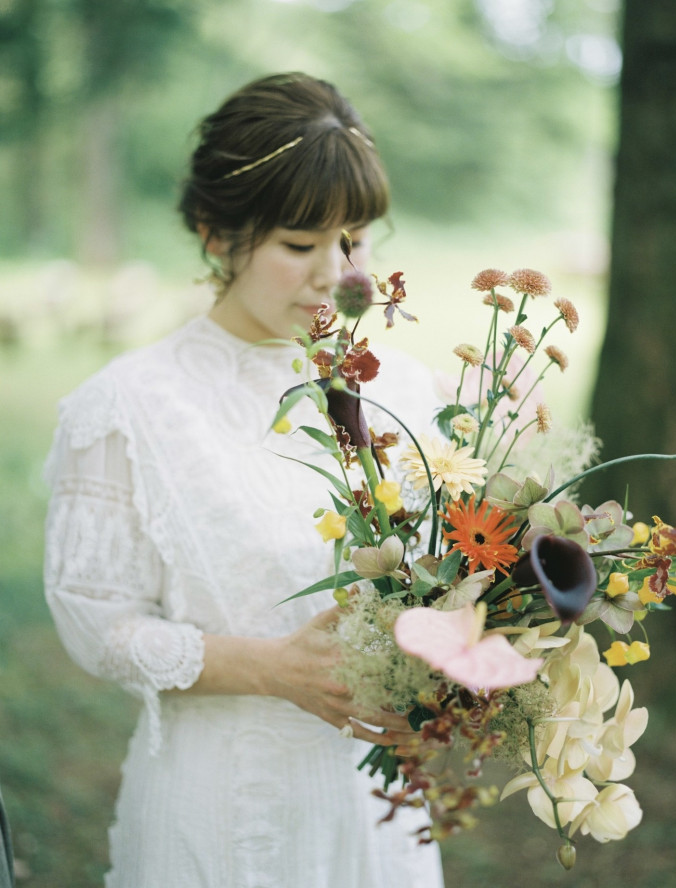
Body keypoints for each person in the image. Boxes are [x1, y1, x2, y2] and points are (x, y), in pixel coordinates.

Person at [44, 72, 445, 888]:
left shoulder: (405, 390)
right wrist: (266, 668)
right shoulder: (127, 406)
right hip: (223, 818)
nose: (335, 274)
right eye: (299, 246)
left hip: (379, 817)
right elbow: (94, 622)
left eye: (356, 239)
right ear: (216, 235)